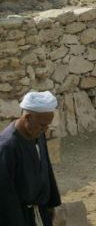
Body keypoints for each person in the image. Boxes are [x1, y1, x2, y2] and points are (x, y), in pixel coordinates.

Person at [0, 90, 61, 225]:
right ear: (27, 117)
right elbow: (4, 196)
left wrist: (51, 203)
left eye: (47, 125)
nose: (45, 129)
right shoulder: (7, 147)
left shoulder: (38, 134)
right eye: (42, 124)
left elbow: (46, 170)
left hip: (41, 213)